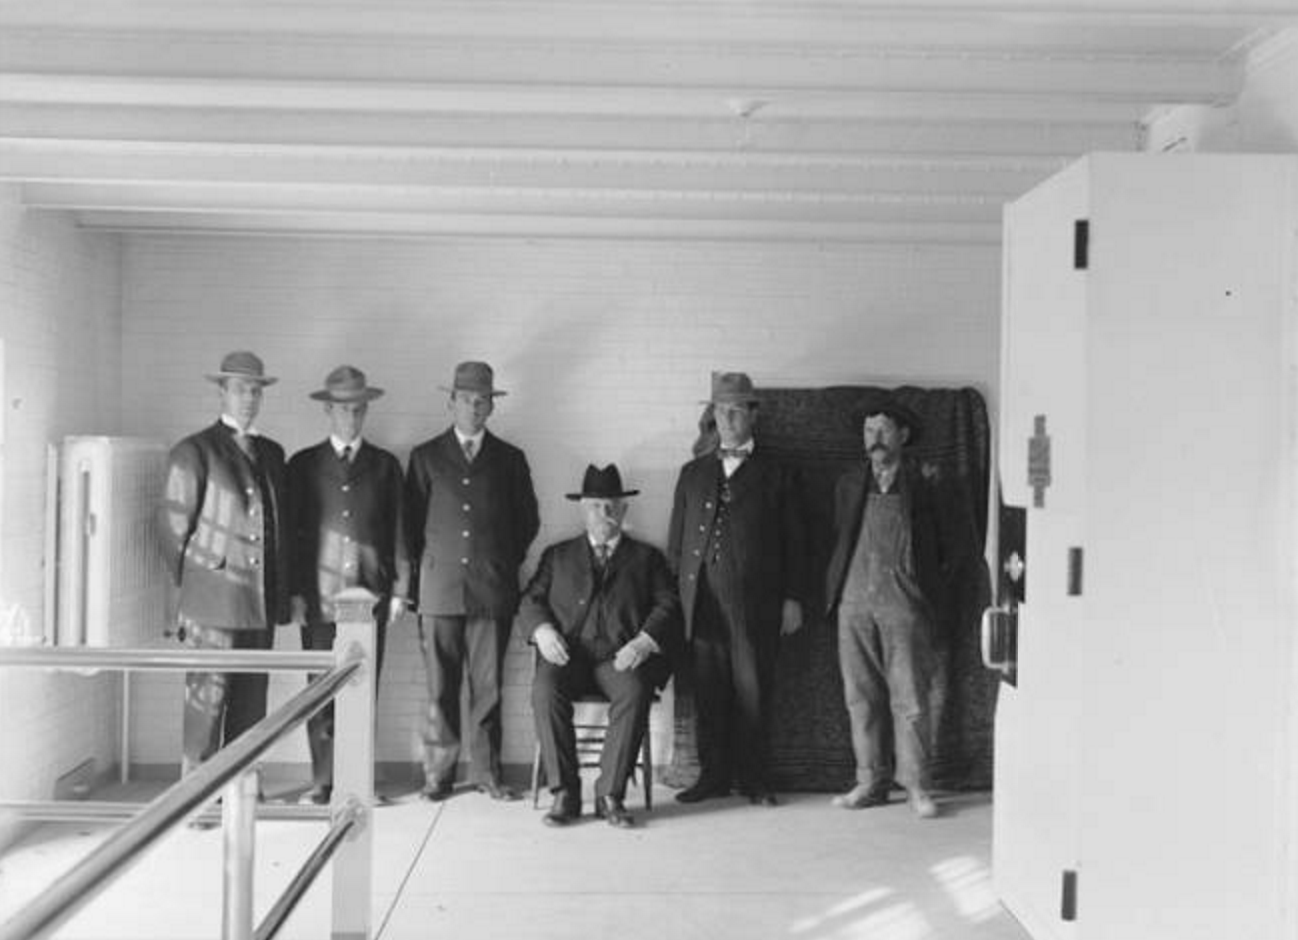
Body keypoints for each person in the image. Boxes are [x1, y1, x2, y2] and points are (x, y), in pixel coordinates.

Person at [824, 397, 973, 819]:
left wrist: (931, 591)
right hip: (853, 602)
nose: (875, 438)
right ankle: (869, 781)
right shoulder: (848, 483)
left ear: (903, 436)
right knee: (860, 697)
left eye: (884, 429)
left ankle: (917, 786)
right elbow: (836, 538)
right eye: (869, 430)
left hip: (905, 602)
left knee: (910, 699)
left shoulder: (929, 481)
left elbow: (957, 546)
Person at [667, 371, 807, 806]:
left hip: (757, 603)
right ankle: (712, 777)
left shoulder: (779, 474)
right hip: (701, 602)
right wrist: (675, 601)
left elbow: (798, 542)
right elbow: (677, 544)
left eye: (736, 411)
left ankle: (754, 779)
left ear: (752, 415)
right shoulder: (692, 473)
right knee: (707, 691)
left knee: (754, 692)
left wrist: (793, 598)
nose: (727, 419)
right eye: (721, 411)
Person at [404, 361, 539, 802]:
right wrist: (425, 573)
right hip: (438, 591)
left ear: (491, 407)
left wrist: (498, 561)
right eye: (466, 399)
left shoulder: (510, 459)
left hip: (491, 590)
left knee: (488, 689)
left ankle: (487, 773)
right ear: (451, 402)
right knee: (440, 689)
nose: (474, 408)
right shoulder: (425, 457)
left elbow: (527, 522)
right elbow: (410, 525)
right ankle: (438, 777)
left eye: (482, 401)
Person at [519, 464, 680, 829]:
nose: (603, 513)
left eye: (611, 506)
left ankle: (610, 794)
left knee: (636, 691)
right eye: (595, 506)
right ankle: (565, 793)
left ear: (623, 510)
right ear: (582, 510)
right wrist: (543, 631)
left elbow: (668, 604)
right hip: (568, 656)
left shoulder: (647, 558)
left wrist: (644, 641)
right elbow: (530, 599)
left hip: (619, 658)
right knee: (544, 689)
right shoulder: (557, 555)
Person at [159, 350, 290, 783]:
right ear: (222, 392)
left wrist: (281, 596)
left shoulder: (272, 453)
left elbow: (279, 529)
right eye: (239, 390)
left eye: (255, 391)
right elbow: (173, 533)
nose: (248, 399)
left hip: (258, 602)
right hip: (212, 604)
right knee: (207, 705)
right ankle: (196, 795)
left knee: (251, 705)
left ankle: (242, 790)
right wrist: (194, 593)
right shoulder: (194, 451)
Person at [286, 365, 406, 805]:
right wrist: (294, 593)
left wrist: (401, 591)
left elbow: (399, 533)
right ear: (328, 411)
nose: (350, 417)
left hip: (370, 595)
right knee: (321, 689)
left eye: (358, 409)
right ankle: (323, 782)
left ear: (366, 410)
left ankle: (357, 782)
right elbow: (293, 535)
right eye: (342, 409)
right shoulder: (303, 465)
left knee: (360, 688)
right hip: (319, 595)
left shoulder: (386, 466)